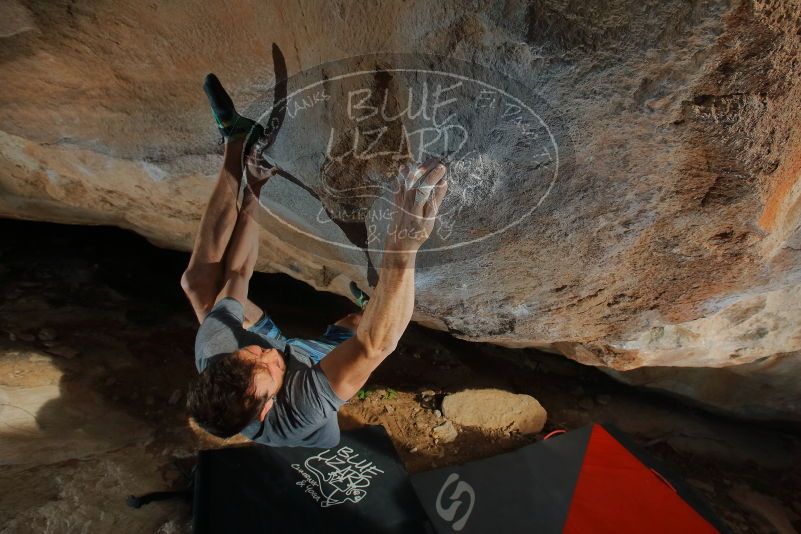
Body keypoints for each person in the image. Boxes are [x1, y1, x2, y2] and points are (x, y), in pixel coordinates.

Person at [181, 74, 448, 447]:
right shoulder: (300, 409)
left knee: (197, 286)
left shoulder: (216, 349)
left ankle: (237, 139)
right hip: (308, 374)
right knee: (359, 326)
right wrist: (404, 242)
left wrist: (254, 188)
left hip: (280, 362)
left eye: (252, 353)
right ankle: (369, 305)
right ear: (265, 408)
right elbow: (374, 347)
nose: (268, 354)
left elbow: (239, 272)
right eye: (268, 368)